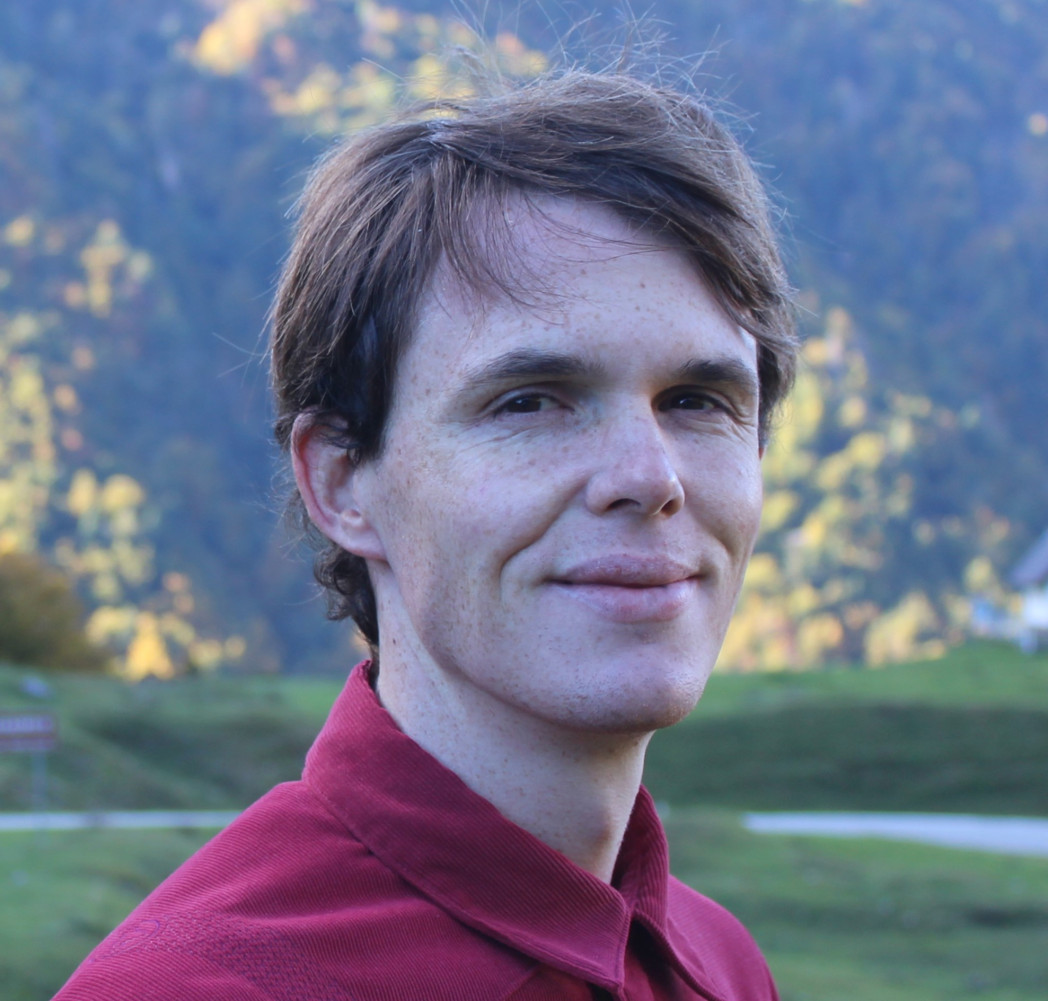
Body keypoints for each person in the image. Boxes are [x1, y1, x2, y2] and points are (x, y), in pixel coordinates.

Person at [54, 63, 797, 1001]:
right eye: (530, 402)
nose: (650, 477)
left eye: (698, 400)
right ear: (340, 482)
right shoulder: (199, 988)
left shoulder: (719, 963)